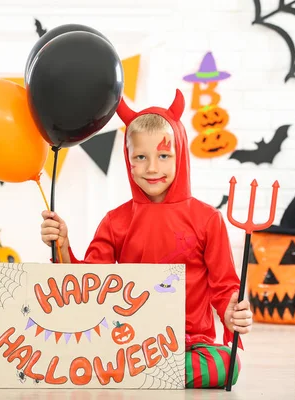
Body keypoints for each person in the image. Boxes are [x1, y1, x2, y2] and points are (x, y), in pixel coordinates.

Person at [40, 89, 252, 388]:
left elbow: (224, 286)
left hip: (189, 344)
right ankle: (140, 373)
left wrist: (232, 312)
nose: (153, 168)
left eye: (164, 155)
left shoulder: (207, 219)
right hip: (127, 342)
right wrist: (62, 246)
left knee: (226, 365)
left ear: (180, 155)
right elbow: (88, 284)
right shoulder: (116, 222)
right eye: (141, 157)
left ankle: (131, 377)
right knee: (79, 351)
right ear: (129, 161)